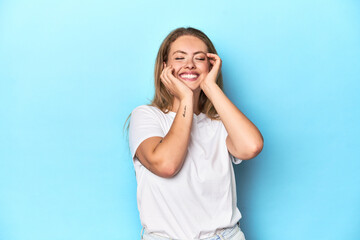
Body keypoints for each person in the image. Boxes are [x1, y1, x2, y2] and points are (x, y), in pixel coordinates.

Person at [128, 27, 264, 240]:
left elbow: (251, 147)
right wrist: (185, 98)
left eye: (199, 58)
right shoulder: (146, 116)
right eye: (179, 57)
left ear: (210, 66)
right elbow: (167, 165)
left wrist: (210, 86)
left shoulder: (220, 123)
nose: (189, 64)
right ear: (165, 67)